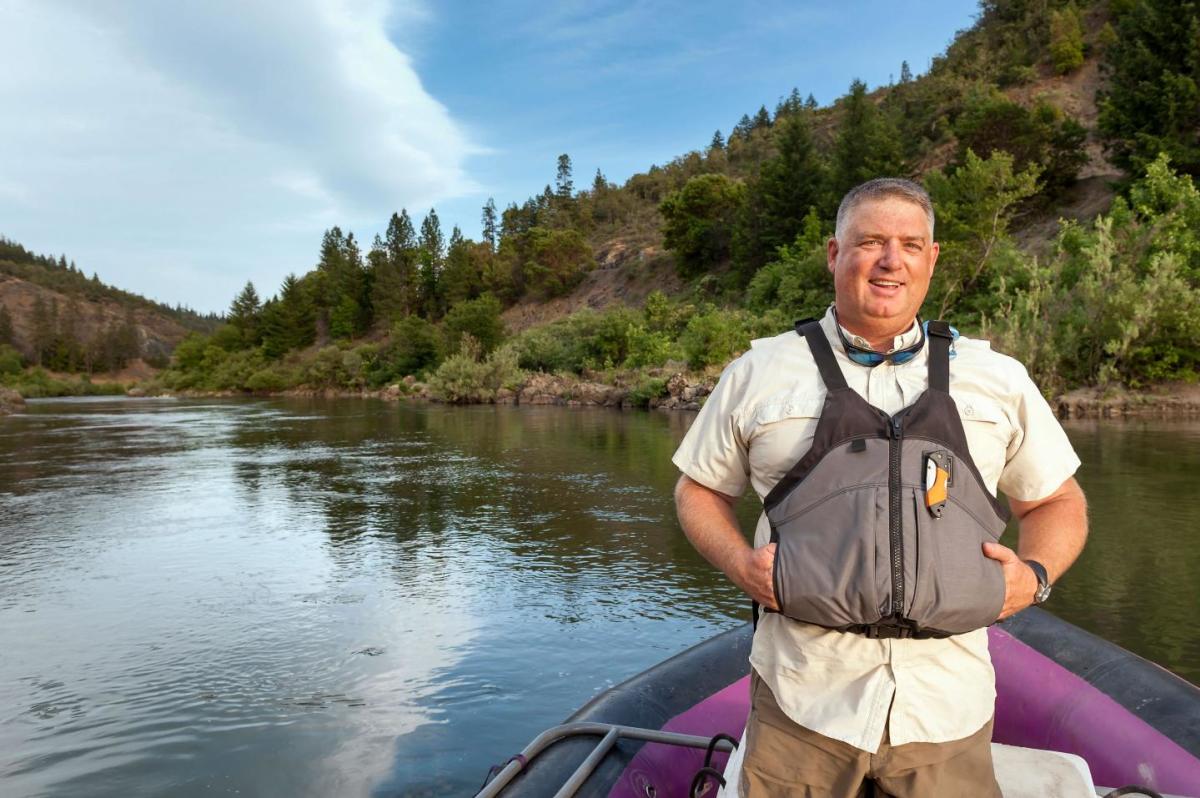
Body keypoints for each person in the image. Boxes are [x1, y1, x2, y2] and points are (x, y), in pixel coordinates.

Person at [672, 178, 1088, 797]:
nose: (891, 261)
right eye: (870, 241)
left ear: (932, 258)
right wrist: (740, 565)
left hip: (948, 703)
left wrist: (1035, 575)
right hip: (802, 697)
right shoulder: (759, 371)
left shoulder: (997, 378)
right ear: (835, 254)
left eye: (910, 244)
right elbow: (698, 490)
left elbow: (1057, 501)